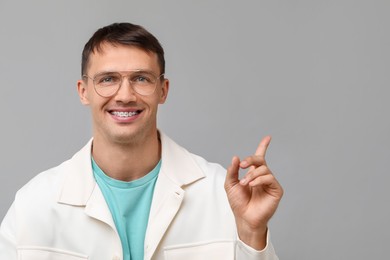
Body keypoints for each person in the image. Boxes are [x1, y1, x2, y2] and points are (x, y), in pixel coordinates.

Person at [0, 22, 283, 260]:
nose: (125, 95)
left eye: (141, 79)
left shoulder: (221, 194)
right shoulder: (33, 204)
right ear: (83, 91)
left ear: (163, 90)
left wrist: (252, 234)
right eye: (108, 79)